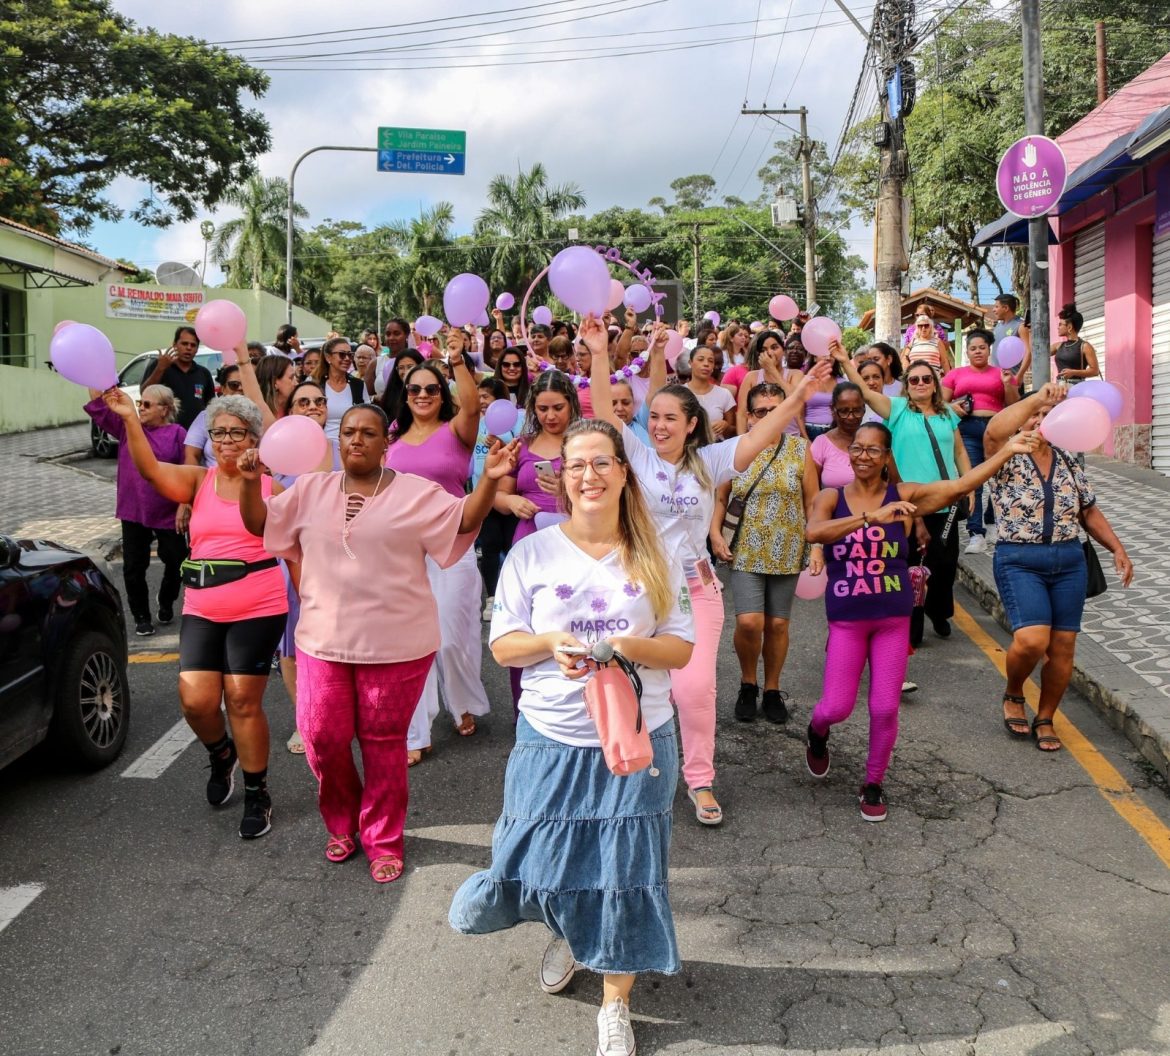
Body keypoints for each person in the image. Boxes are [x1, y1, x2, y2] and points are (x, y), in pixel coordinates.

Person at [449, 418, 694, 1056]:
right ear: (562, 477)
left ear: (623, 471)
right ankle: (571, 926)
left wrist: (624, 647)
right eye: (577, 464)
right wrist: (551, 643)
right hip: (550, 734)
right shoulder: (533, 551)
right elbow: (503, 646)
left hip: (637, 738)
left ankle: (616, 1002)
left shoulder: (660, 549)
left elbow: (682, 649)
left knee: (625, 872)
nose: (589, 475)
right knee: (534, 857)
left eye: (602, 462)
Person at [239, 405, 516, 882]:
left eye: (368, 433)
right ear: (338, 440)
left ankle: (383, 837)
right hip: (323, 640)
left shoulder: (414, 494)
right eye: (348, 433)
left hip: (398, 645)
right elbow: (260, 524)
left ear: (385, 443)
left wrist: (488, 481)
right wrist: (248, 482)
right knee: (322, 738)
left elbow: (462, 519)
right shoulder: (311, 490)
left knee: (384, 744)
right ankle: (343, 821)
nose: (357, 441)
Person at [589, 313, 830, 826]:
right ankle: (628, 768)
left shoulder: (712, 461)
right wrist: (597, 354)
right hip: (638, 588)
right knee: (629, 682)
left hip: (696, 589)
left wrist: (797, 392)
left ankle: (699, 780)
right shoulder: (636, 456)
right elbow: (605, 411)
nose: (659, 426)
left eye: (670, 418)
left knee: (692, 690)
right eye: (654, 417)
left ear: (692, 424)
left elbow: (764, 433)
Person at [804, 421, 1041, 820]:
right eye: (858, 449)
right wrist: (871, 519)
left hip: (893, 618)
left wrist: (1007, 452)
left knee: (883, 708)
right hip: (847, 619)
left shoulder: (904, 494)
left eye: (873, 450)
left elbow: (959, 487)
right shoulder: (832, 497)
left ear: (886, 457)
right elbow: (815, 532)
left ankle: (874, 783)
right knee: (836, 708)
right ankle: (816, 733)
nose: (863, 456)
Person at [103, 390, 287, 839]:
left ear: (253, 439)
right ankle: (221, 753)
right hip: (203, 605)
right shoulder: (197, 480)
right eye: (218, 432)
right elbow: (149, 470)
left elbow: (282, 543)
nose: (226, 441)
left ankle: (258, 791)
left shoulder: (271, 487)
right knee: (197, 701)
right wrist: (130, 419)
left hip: (259, 604)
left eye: (236, 433)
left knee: (243, 700)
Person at [983, 386, 1132, 751]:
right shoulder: (1006, 455)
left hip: (1069, 561)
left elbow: (1088, 511)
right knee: (1032, 639)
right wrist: (1036, 400)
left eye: (1046, 414)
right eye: (1033, 415)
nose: (1038, 421)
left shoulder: (1068, 461)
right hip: (1019, 560)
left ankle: (1046, 716)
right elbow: (992, 432)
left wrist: (1116, 547)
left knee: (1063, 647)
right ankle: (1015, 692)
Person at [384, 334, 491, 758]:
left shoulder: (457, 431)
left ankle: (462, 701)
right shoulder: (390, 438)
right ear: (405, 395)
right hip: (403, 549)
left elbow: (470, 403)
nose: (424, 394)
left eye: (432, 389)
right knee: (412, 642)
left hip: (454, 542)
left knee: (452, 636)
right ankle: (416, 732)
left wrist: (458, 360)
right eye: (415, 389)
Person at [834, 342, 970, 644]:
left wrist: (969, 484)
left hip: (945, 501)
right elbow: (865, 391)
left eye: (926, 379)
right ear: (906, 386)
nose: (920, 384)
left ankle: (940, 611)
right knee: (911, 569)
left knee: (944, 566)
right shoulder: (895, 410)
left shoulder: (948, 413)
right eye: (914, 380)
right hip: (907, 505)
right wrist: (845, 360)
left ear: (935, 384)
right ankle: (914, 628)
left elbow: (959, 450)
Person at [711, 382, 819, 725]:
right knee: (748, 621)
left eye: (777, 410)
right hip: (745, 547)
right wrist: (714, 533)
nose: (769, 417)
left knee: (777, 624)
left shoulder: (801, 450)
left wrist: (816, 545)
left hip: (787, 546)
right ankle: (747, 683)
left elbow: (813, 501)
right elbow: (720, 496)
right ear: (749, 416)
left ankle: (772, 689)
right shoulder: (735, 449)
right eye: (761, 411)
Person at [84, 384, 188, 636]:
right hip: (133, 510)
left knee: (177, 561)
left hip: (167, 510)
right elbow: (98, 406)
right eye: (140, 403)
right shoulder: (128, 427)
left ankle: (166, 600)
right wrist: (94, 375)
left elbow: (188, 470)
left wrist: (185, 505)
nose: (141, 408)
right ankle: (141, 615)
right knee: (133, 567)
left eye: (147, 404)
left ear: (165, 409)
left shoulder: (177, 433)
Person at [942, 328, 1020, 554]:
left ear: (989, 350)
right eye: (973, 348)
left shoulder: (1002, 372)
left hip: (997, 429)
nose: (978, 352)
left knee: (999, 478)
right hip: (967, 429)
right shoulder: (956, 374)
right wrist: (953, 407)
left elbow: (1014, 404)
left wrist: (1008, 383)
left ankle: (994, 522)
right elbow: (939, 403)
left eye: (982, 348)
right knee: (973, 481)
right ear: (967, 351)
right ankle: (976, 532)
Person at [494, 370, 580, 545]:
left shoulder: (586, 443)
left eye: (558, 408)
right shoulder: (522, 445)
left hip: (573, 537)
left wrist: (568, 491)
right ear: (533, 408)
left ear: (571, 404)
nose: (550, 416)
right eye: (542, 409)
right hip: (528, 538)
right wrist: (511, 501)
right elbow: (498, 495)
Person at [474, 378, 519, 621]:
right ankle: (491, 597)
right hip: (484, 495)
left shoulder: (512, 425)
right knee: (489, 546)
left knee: (511, 546)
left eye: (486, 397)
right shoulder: (473, 425)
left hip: (509, 494)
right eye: (479, 396)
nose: (481, 402)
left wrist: (503, 444)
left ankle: (511, 595)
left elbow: (520, 455)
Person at [1015, 303, 1100, 391]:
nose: (1058, 327)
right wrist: (1030, 332)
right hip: (1060, 388)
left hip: (1077, 389)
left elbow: (1095, 371)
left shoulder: (1085, 346)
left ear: (1069, 327)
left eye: (1060, 324)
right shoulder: (1059, 346)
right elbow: (1037, 353)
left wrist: (1074, 372)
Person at [143, 326, 215, 429]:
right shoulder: (160, 366)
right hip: (166, 433)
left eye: (193, 345)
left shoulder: (203, 373)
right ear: (174, 344)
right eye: (184, 343)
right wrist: (160, 369)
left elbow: (210, 405)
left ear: (197, 349)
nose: (189, 348)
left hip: (195, 436)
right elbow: (144, 392)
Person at [810, 381, 871, 489]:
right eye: (844, 411)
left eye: (857, 410)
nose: (851, 417)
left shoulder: (874, 440)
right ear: (833, 410)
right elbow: (811, 491)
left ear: (864, 409)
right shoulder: (821, 443)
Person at [313, 337, 364, 440]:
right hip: (321, 444)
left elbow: (366, 416)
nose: (347, 358)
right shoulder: (315, 385)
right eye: (342, 354)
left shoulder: (358, 385)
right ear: (328, 358)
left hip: (352, 445)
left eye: (350, 355)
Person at [686, 345, 736, 438]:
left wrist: (725, 425)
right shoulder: (679, 394)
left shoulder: (724, 394)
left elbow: (733, 430)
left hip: (717, 449)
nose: (706, 364)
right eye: (701, 359)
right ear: (690, 363)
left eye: (710, 361)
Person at [378, 347, 425, 419]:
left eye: (410, 367)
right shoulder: (390, 394)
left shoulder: (429, 390)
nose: (406, 371)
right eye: (401, 367)